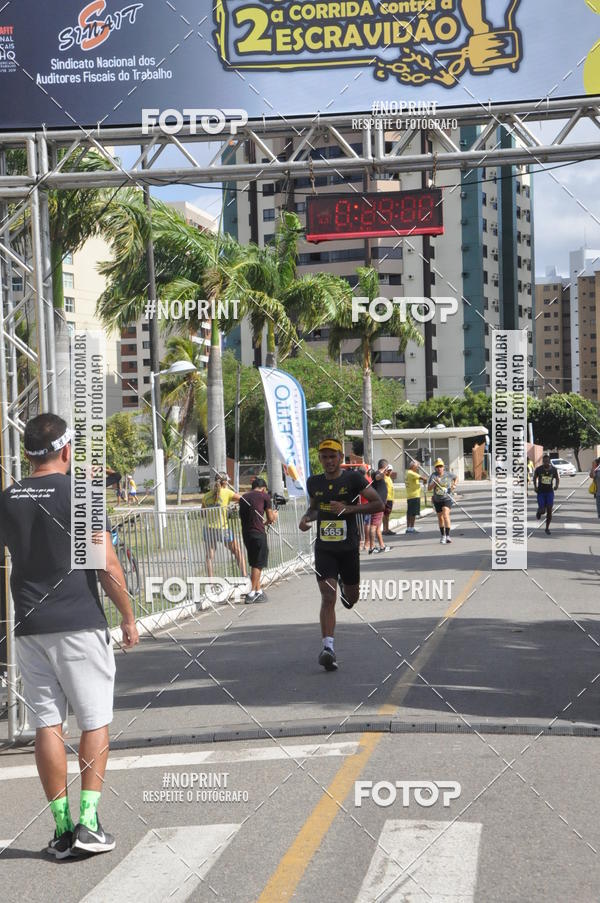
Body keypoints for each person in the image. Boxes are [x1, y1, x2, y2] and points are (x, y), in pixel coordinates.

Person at [0, 414, 139, 858]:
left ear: (27, 454)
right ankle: (89, 823)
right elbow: (107, 564)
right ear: (66, 451)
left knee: (47, 724)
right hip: (78, 622)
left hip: (30, 627)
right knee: (94, 720)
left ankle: (61, 829)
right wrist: (128, 616)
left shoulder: (8, 498)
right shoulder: (80, 494)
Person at [299, 439, 384, 671]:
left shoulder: (354, 479)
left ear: (340, 458)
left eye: (332, 456)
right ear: (320, 459)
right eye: (324, 457)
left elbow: (378, 504)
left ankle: (349, 593)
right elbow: (315, 508)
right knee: (328, 596)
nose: (328, 461)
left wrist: (349, 509)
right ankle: (328, 648)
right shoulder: (313, 482)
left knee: (351, 597)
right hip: (325, 548)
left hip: (348, 549)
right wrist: (307, 518)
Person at [201, 474, 247, 578]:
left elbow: (202, 513)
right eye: (227, 482)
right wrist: (233, 506)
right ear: (225, 482)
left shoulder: (206, 496)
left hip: (208, 529)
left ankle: (211, 583)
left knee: (209, 557)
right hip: (223, 529)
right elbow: (243, 499)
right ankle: (244, 575)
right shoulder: (227, 492)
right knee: (237, 551)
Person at [239, 478, 277, 603]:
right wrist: (274, 516)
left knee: (254, 562)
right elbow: (270, 518)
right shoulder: (264, 496)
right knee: (258, 563)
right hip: (258, 533)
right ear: (263, 488)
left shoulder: (243, 498)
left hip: (246, 533)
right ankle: (251, 593)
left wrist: (265, 522)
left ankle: (258, 591)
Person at [427, 458, 457, 544]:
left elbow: (456, 478)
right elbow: (429, 488)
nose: (439, 468)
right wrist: (434, 482)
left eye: (440, 466)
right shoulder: (433, 476)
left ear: (443, 467)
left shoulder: (448, 474)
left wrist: (454, 485)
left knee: (445, 515)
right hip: (437, 499)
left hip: (447, 498)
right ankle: (443, 535)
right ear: (435, 468)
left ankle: (448, 535)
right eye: (437, 467)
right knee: (440, 518)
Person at [368, 459, 391, 554]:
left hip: (380, 504)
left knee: (377, 527)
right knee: (373, 526)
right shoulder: (376, 474)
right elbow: (377, 477)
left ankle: (382, 546)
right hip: (377, 504)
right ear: (385, 467)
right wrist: (382, 474)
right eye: (387, 468)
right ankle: (372, 547)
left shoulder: (380, 474)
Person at [534, 453, 559, 535]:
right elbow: (534, 477)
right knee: (542, 511)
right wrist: (535, 486)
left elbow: (557, 478)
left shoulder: (553, 469)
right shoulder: (539, 469)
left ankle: (547, 528)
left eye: (547, 461)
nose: (546, 463)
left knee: (549, 511)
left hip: (549, 492)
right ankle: (539, 511)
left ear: (549, 462)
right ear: (543, 462)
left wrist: (556, 485)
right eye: (544, 461)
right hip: (541, 492)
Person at [404, 460, 427, 533]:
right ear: (413, 466)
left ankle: (409, 528)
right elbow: (423, 478)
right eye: (417, 466)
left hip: (411, 495)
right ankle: (411, 528)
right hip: (414, 496)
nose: (418, 468)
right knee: (412, 513)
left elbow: (422, 480)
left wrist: (424, 480)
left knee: (410, 513)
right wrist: (425, 479)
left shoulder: (409, 473)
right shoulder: (411, 473)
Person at [382, 465, 397, 535]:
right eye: (388, 470)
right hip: (386, 499)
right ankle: (385, 529)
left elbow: (391, 489)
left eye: (390, 470)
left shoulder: (389, 478)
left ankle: (387, 529)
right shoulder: (384, 478)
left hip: (390, 499)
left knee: (387, 515)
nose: (389, 472)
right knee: (385, 515)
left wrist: (393, 499)